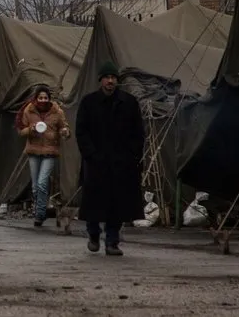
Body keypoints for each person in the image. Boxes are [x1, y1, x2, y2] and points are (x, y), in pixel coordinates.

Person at [75, 61, 145, 256]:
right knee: (93, 203)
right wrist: (91, 154)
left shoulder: (129, 103)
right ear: (101, 80)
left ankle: (112, 241)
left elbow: (138, 132)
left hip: (121, 162)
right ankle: (94, 234)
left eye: (113, 78)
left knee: (117, 203)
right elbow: (81, 131)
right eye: (107, 77)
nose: (110, 81)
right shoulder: (89, 103)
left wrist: (133, 155)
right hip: (96, 162)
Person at [17, 87, 71, 226]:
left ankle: (40, 214)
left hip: (50, 151)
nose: (43, 100)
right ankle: (40, 209)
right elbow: (21, 131)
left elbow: (64, 128)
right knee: (35, 186)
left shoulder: (56, 111)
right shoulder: (29, 110)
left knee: (42, 183)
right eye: (40, 98)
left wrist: (65, 132)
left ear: (49, 99)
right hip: (33, 151)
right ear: (36, 98)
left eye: (45, 98)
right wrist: (31, 129)